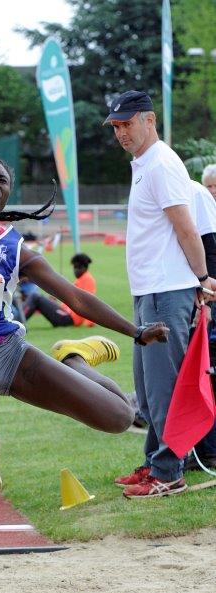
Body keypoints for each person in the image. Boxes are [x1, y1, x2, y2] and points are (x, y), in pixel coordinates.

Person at [0, 15, 169, 495]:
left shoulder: (16, 250)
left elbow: (74, 297)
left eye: (2, 180)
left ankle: (73, 359)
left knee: (118, 418)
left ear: (8, 193)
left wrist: (134, 331)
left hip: (11, 354)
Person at [104, 90, 216, 499]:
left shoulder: (163, 164)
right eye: (116, 126)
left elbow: (187, 228)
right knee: (149, 389)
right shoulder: (144, 163)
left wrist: (202, 278)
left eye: (127, 124)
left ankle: (169, 472)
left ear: (149, 120)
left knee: (164, 386)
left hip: (168, 290)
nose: (121, 133)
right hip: (150, 290)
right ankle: (155, 461)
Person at [184, 179, 216, 470]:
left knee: (206, 370)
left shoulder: (195, 194)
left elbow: (210, 250)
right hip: (189, 295)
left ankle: (208, 450)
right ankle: (200, 449)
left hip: (203, 300)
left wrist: (207, 298)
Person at [23, 253, 97, 327]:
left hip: (70, 319)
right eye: (74, 268)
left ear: (83, 268)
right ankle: (18, 320)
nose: (74, 271)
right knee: (37, 298)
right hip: (64, 313)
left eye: (76, 268)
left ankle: (19, 321)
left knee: (35, 297)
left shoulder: (88, 279)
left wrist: (90, 323)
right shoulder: (80, 279)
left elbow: (89, 302)